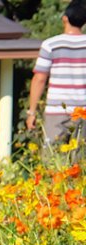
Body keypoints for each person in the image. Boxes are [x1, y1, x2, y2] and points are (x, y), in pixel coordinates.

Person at [27, 0, 86, 144]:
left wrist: (32, 112)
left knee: (53, 159)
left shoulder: (50, 45)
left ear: (65, 18)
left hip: (56, 110)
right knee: (78, 161)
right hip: (83, 111)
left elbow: (39, 79)